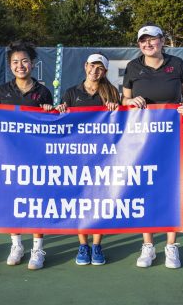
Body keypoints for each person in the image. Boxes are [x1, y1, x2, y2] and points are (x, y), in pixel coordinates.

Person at [121, 24, 183, 269]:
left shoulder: (178, 64)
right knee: (144, 191)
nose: (148, 44)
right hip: (142, 141)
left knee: (173, 191)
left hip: (173, 138)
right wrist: (131, 101)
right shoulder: (132, 67)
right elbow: (124, 99)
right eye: (143, 41)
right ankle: (148, 246)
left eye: (152, 40)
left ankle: (171, 247)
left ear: (162, 41)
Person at [0, 40, 53, 270]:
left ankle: (37, 248)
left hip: (36, 157)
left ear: (32, 64)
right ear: (10, 66)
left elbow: (50, 125)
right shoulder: (1, 91)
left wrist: (49, 111)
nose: (20, 65)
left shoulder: (43, 92)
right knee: (13, 201)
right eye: (15, 62)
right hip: (8, 158)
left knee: (37, 202)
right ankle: (16, 244)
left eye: (24, 61)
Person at [55, 53, 119, 266]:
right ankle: (83, 245)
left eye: (100, 68)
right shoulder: (72, 92)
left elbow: (121, 124)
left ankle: (97, 245)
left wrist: (115, 109)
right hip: (78, 157)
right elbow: (63, 123)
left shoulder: (111, 92)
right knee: (80, 202)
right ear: (85, 66)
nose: (95, 70)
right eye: (92, 66)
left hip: (103, 157)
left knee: (100, 201)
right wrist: (61, 110)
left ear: (105, 72)